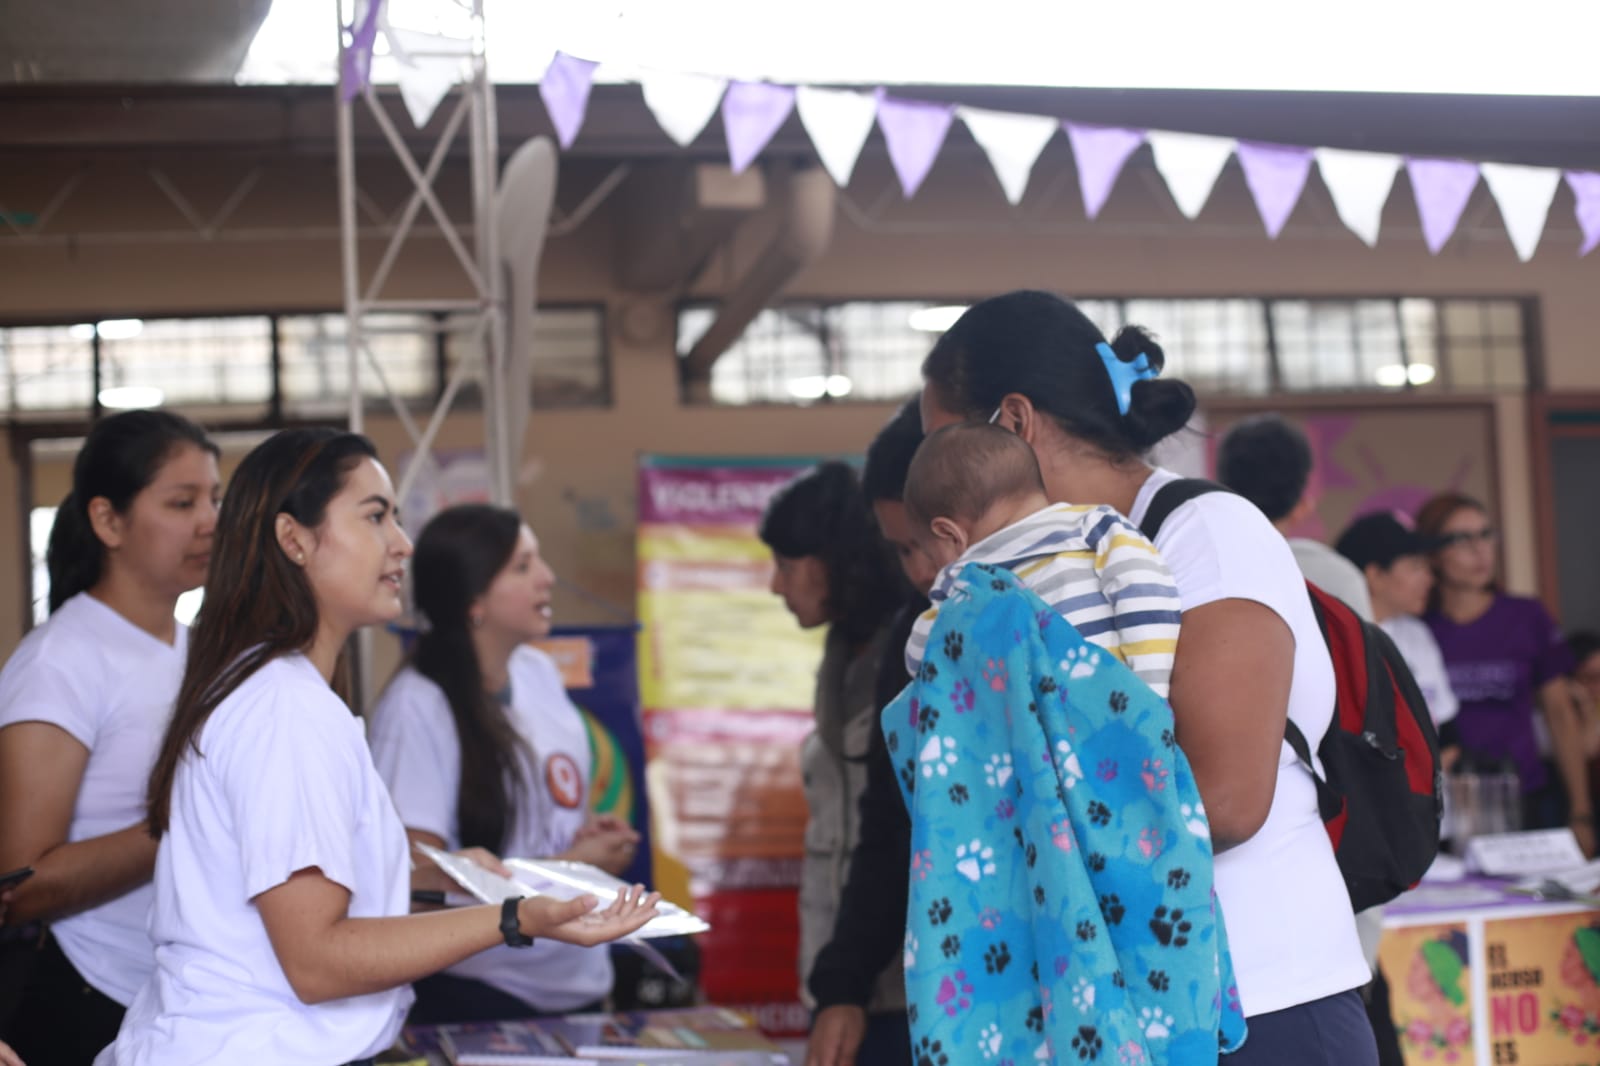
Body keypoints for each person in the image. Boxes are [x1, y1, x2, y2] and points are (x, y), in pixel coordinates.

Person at [98, 428, 657, 1066]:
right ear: (295, 539)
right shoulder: (285, 706)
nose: (402, 543)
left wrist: (444, 875)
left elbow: (292, 892)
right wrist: (516, 916)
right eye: (375, 517)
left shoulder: (279, 689)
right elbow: (316, 960)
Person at [919, 290, 1375, 1064]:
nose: (938, 484)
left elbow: (1227, 802)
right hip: (1114, 1010)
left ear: (1015, 423)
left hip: (1262, 1003)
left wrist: (1017, 817)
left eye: (944, 449)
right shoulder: (1025, 573)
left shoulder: (1206, 534)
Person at [0, 411, 220, 1065]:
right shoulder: (62, 661)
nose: (209, 520)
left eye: (214, 498)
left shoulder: (200, 650)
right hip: (92, 994)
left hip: (183, 994)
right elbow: (19, 885)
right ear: (108, 521)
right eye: (182, 502)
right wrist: (189, 820)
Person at [368, 503, 641, 1023]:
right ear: (474, 598)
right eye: (523, 566)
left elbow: (536, 825)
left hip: (576, 983)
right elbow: (422, 880)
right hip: (480, 995)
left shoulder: (538, 673)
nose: (548, 578)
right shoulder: (418, 704)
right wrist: (576, 870)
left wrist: (583, 841)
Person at [760, 461, 910, 1066]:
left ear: (836, 561)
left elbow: (890, 833)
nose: (776, 586)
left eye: (788, 566)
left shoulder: (909, 650)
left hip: (906, 985)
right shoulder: (841, 653)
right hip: (843, 975)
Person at [805, 402, 929, 1066]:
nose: (916, 569)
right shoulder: (913, 637)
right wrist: (842, 986)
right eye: (900, 549)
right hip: (934, 993)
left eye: (923, 543)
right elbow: (889, 820)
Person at [901, 421, 1181, 696]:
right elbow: (1146, 592)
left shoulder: (964, 580)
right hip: (1112, 710)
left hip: (1029, 732)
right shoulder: (1095, 527)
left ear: (949, 534)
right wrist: (1151, 692)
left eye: (930, 553)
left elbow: (920, 660)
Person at [1416, 493, 1590, 851]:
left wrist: (1581, 811)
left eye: (1485, 535)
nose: (1480, 551)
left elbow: (1560, 714)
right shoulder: (1416, 631)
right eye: (1462, 540)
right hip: (1442, 808)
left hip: (1522, 797)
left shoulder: (1526, 617)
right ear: (1432, 553)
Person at [1216, 414, 1374, 621]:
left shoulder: (1188, 567)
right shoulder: (1338, 578)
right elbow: (1360, 653)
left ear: (1220, 489)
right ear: (1302, 504)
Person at [1335, 512, 1460, 750]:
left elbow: (1448, 735)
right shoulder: (1337, 639)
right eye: (1416, 567)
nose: (1429, 579)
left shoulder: (1418, 634)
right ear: (1375, 576)